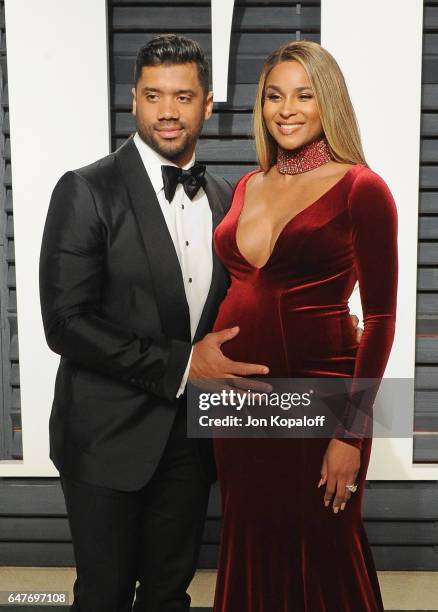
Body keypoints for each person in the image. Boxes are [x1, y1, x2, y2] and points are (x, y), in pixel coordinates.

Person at [38, 34, 271, 612]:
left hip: (191, 442)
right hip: (105, 439)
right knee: (106, 594)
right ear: (134, 101)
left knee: (169, 593)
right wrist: (185, 365)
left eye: (183, 96)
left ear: (208, 104)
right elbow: (65, 322)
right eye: (153, 95)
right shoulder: (86, 189)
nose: (168, 111)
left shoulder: (226, 196)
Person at [211, 40, 398, 611]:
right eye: (274, 95)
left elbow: (383, 318)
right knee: (250, 538)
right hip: (238, 403)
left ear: (328, 103)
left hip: (322, 402)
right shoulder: (248, 185)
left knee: (324, 546)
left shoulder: (361, 188)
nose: (286, 109)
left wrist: (349, 433)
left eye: (304, 94)